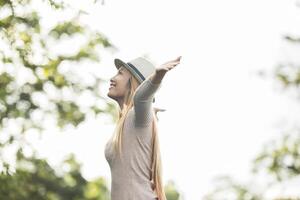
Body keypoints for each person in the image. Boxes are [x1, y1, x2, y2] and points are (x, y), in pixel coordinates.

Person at [104, 55, 182, 200]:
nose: (112, 78)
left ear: (133, 82)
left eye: (120, 73)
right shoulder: (130, 121)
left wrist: (158, 76)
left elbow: (141, 98)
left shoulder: (137, 117)